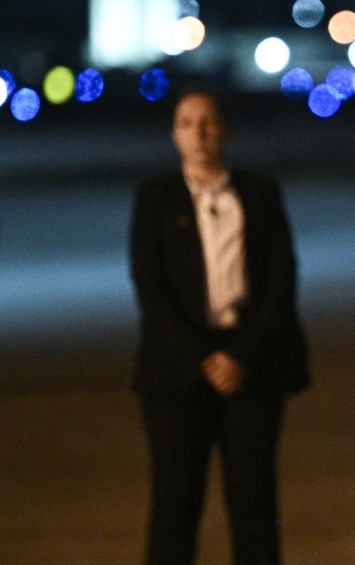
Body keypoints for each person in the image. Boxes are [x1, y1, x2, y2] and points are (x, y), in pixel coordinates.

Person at [129, 88, 309, 565]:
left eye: (208, 121)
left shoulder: (259, 195)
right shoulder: (155, 199)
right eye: (187, 123)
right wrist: (202, 358)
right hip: (178, 370)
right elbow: (151, 290)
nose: (199, 132)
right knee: (174, 506)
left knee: (253, 506)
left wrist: (241, 356)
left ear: (226, 129)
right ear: (174, 134)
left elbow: (281, 281)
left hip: (250, 362)